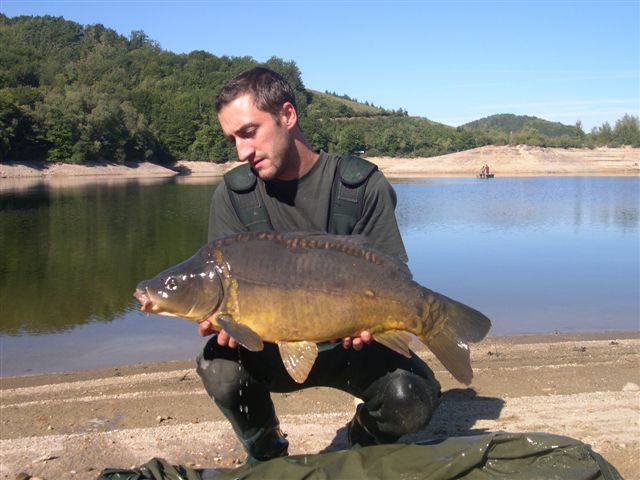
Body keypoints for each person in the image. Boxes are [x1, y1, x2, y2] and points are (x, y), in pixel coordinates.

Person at [195, 67, 441, 464]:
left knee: (412, 396)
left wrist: (380, 322)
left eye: (249, 132)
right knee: (218, 365)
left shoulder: (361, 186)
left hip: (352, 343)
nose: (241, 152)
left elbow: (393, 275)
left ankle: (361, 445)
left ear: (287, 116)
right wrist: (226, 323)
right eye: (233, 139)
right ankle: (267, 454)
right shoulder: (234, 196)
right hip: (273, 347)